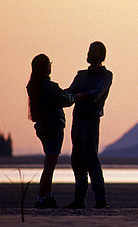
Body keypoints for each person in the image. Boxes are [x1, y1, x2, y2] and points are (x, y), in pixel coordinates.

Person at [64, 41, 113, 209]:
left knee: (91, 159)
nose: (90, 54)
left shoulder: (106, 76)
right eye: (89, 51)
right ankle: (79, 199)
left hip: (91, 120)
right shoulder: (81, 75)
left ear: (101, 56)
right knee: (76, 159)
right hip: (77, 120)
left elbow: (96, 95)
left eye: (93, 52)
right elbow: (68, 94)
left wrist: (77, 96)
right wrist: (55, 94)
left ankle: (101, 199)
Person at [26, 54, 75, 209]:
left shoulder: (33, 86)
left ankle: (48, 196)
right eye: (49, 63)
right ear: (45, 67)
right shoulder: (50, 87)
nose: (51, 66)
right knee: (50, 164)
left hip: (41, 127)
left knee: (49, 161)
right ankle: (41, 197)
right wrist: (75, 96)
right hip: (54, 127)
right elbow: (65, 100)